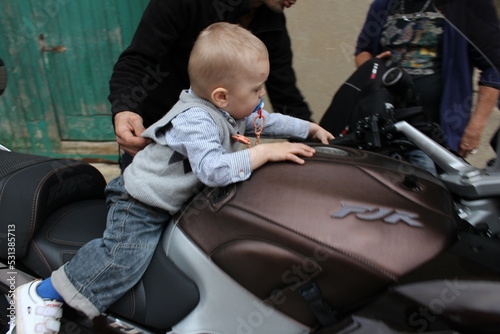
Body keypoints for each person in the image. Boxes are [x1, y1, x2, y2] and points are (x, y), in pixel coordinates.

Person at [10, 22, 334, 334]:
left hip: (170, 200)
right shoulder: (196, 119)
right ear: (222, 96)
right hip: (140, 201)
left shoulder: (225, 111)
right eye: (256, 88)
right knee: (123, 258)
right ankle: (44, 295)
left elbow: (267, 120)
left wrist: (309, 129)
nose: (262, 94)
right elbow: (213, 169)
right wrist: (263, 153)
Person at [109, 0, 313, 170]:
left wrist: (315, 145)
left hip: (213, 153)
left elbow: (285, 92)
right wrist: (125, 110)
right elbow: (138, 61)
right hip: (156, 141)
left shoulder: (270, 16)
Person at [355, 0, 500, 158]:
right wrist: (373, 67)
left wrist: (476, 126)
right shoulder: (383, 5)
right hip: (386, 125)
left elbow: (493, 67)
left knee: (433, 180)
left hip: (438, 129)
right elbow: (363, 51)